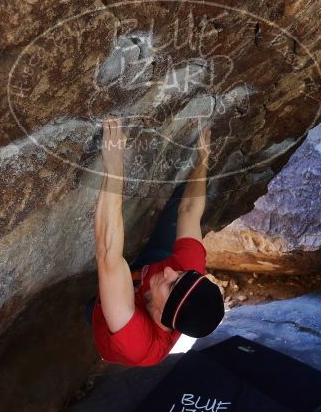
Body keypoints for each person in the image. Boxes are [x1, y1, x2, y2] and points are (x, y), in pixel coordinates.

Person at [91, 118, 225, 367]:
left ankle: (90, 304)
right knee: (178, 208)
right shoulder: (185, 271)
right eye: (181, 274)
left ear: (164, 315)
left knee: (100, 294)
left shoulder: (139, 344)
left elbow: (107, 254)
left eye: (172, 283)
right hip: (145, 270)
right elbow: (189, 210)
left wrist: (114, 164)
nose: (170, 270)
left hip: (112, 311)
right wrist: (202, 160)